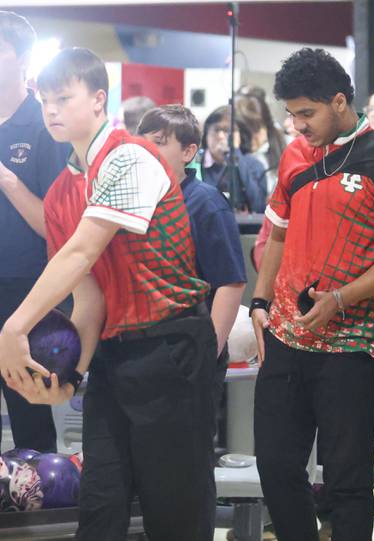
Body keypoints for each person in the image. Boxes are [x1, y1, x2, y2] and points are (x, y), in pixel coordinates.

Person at [0, 47, 217, 540]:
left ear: (99, 99)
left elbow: (81, 251)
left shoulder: (129, 157)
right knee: (100, 506)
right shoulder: (59, 193)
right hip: (115, 357)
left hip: (172, 345)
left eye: (64, 98)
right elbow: (89, 299)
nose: (51, 109)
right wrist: (71, 375)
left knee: (174, 510)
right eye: (44, 99)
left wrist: (15, 325)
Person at [249, 48, 374, 541]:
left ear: (340, 102)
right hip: (284, 336)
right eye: (291, 113)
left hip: (352, 344)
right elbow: (277, 234)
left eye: (306, 113)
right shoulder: (294, 157)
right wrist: (260, 304)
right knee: (277, 466)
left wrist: (341, 299)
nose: (297, 124)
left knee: (347, 479)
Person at [137, 104, 246, 413]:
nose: (147, 151)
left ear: (188, 152)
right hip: (141, 354)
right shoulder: (137, 200)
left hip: (187, 353)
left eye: (158, 142)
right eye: (143, 142)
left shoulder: (206, 202)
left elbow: (231, 283)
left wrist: (206, 354)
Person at [0, 11, 68, 453]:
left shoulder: (46, 127)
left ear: (22, 59)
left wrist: (8, 181)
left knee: (29, 415)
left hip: (26, 292)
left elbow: (56, 228)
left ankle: (40, 511)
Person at [200, 105, 268, 213]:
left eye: (227, 130)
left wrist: (236, 154)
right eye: (216, 129)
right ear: (206, 134)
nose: (221, 136)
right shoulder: (196, 163)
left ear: (240, 135)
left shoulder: (254, 165)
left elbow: (258, 206)